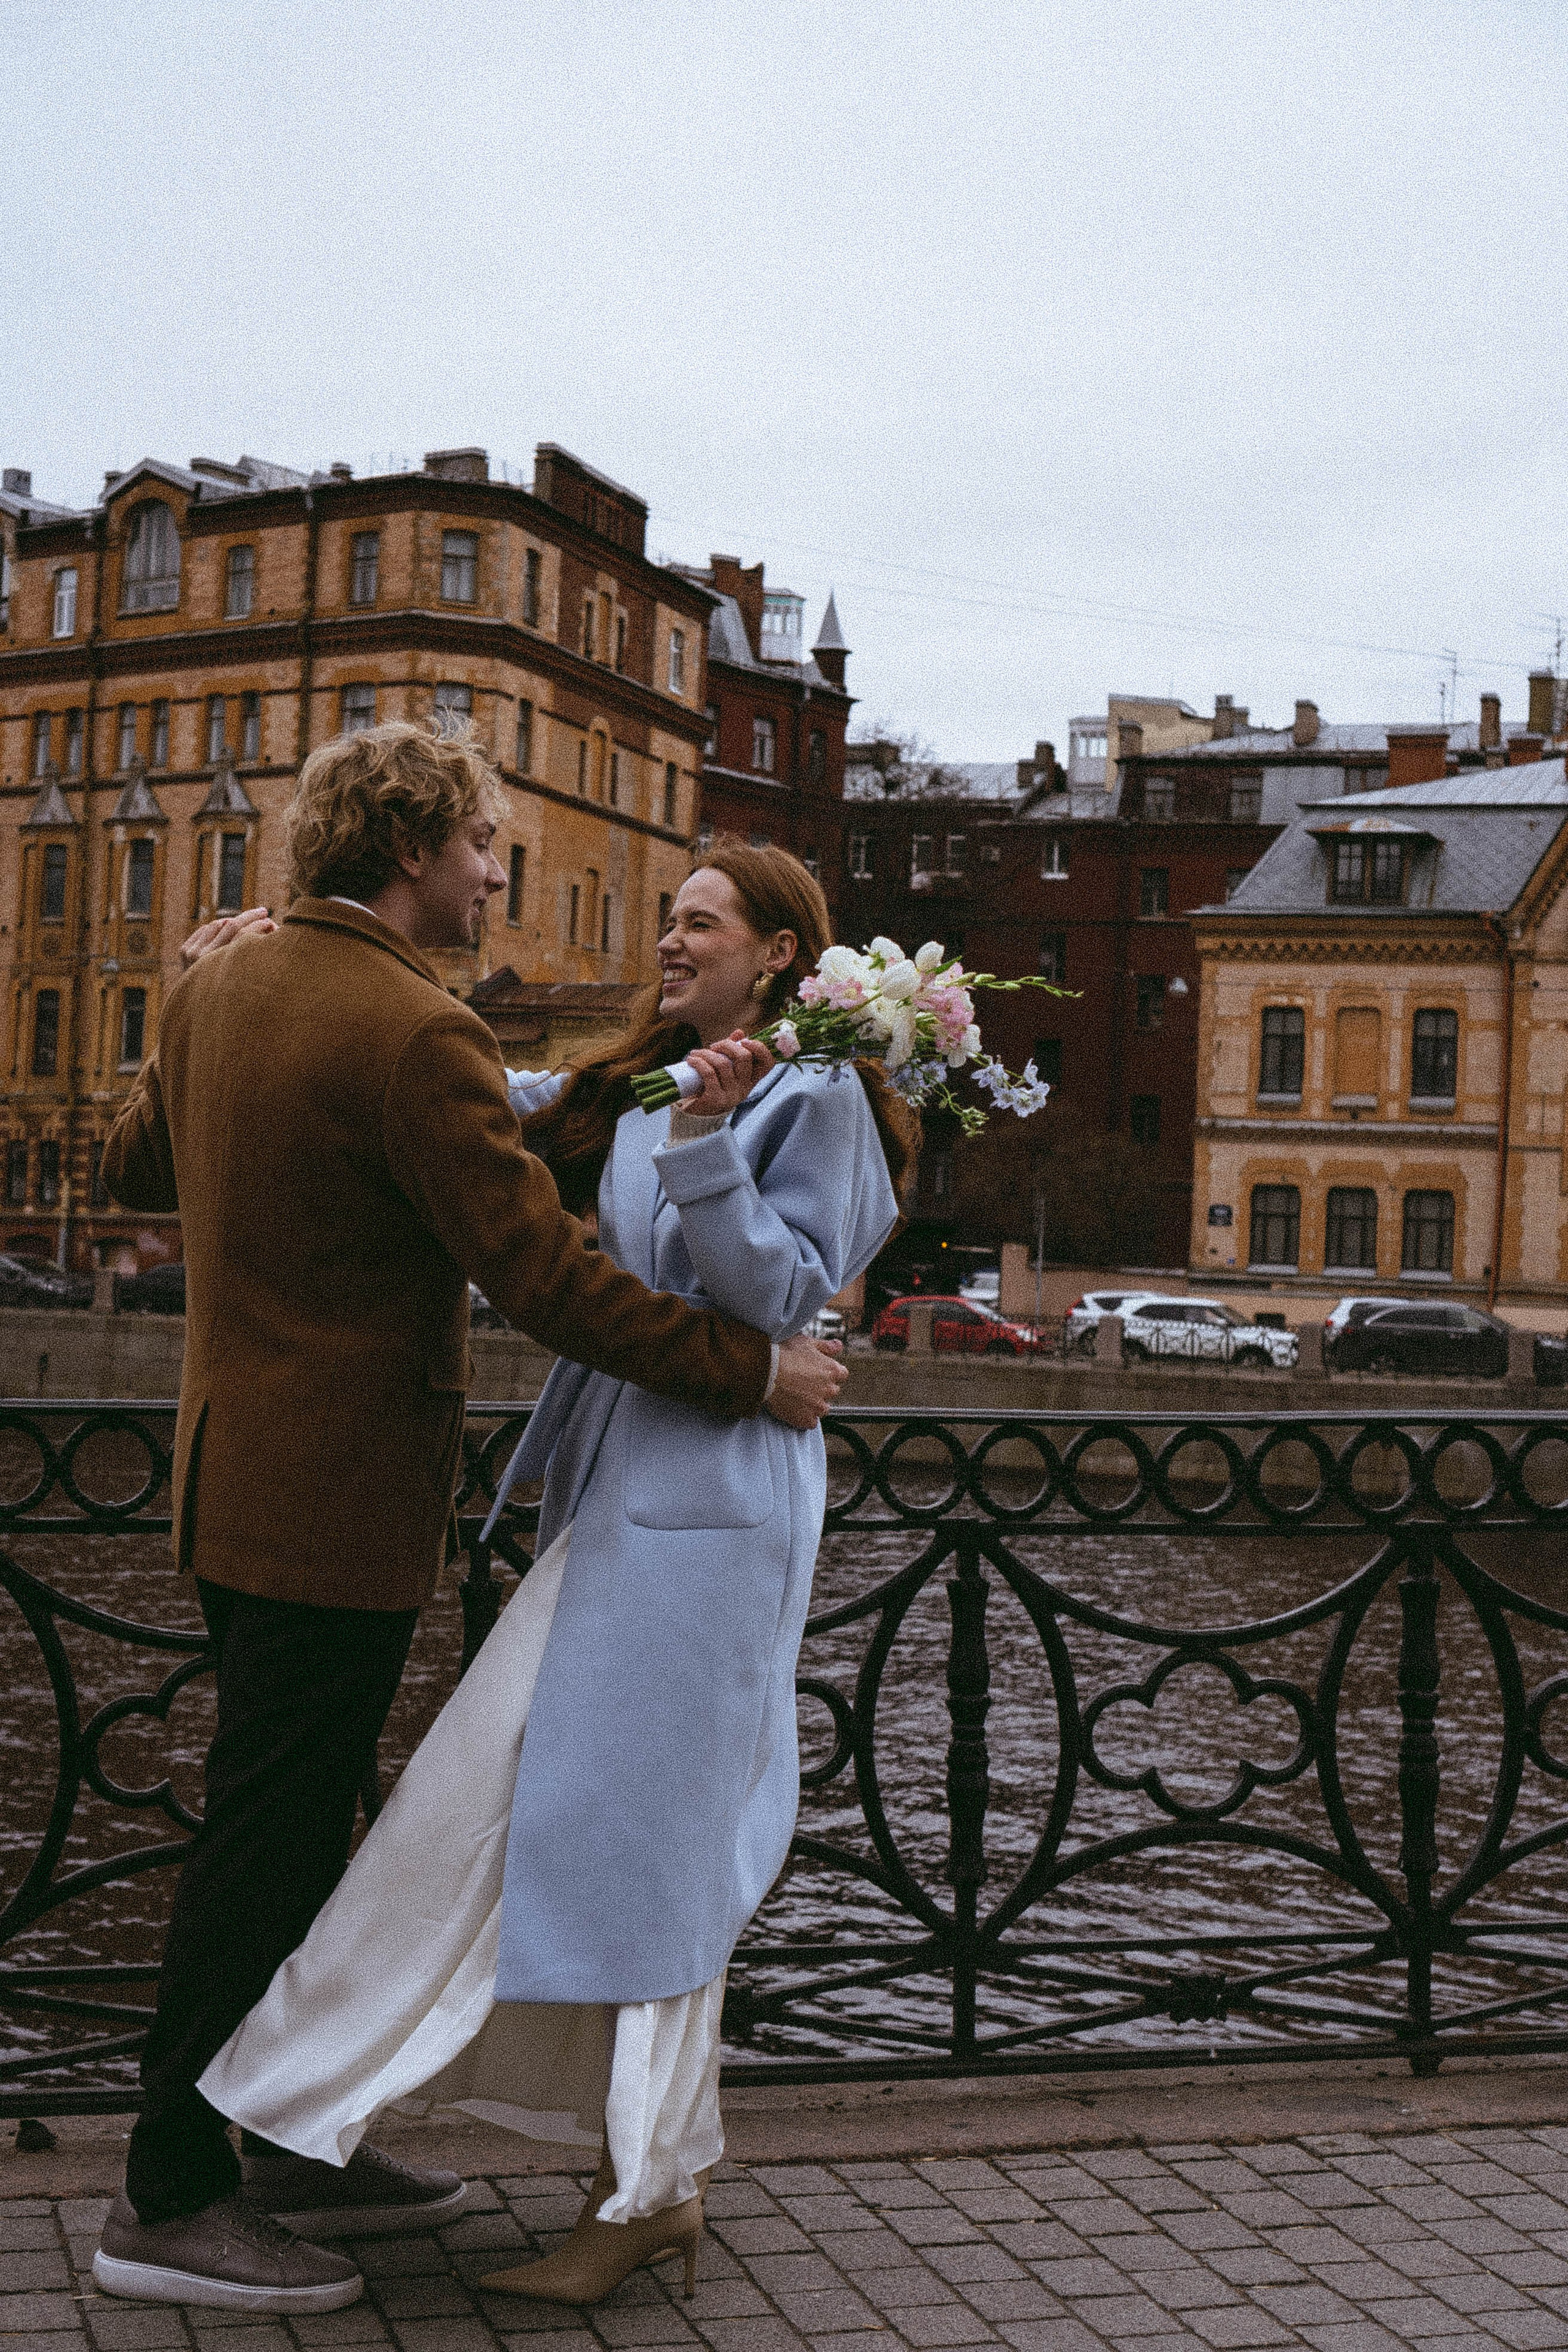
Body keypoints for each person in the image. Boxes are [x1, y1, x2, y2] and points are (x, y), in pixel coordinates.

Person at [91, 731, 847, 2316]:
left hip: (227, 1479)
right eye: (485, 847)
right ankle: (171, 2193)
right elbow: (548, 1281)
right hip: (340, 1502)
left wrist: (186, 999)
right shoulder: (414, 1027)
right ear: (414, 845)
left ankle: (292, 2141)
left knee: (301, 1820)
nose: (500, 876)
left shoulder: (222, 983)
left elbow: (133, 1161)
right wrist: (752, 1364)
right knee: (273, 1838)